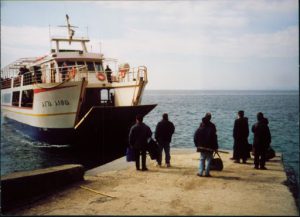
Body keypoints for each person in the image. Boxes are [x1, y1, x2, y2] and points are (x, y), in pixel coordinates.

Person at [194, 112, 218, 177]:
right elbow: (214, 137)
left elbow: (196, 136)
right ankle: (207, 173)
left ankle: (200, 172)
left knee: (202, 159)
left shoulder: (201, 126)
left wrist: (197, 145)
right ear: (210, 118)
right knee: (209, 160)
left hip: (201, 146)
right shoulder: (212, 126)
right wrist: (216, 147)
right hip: (210, 147)